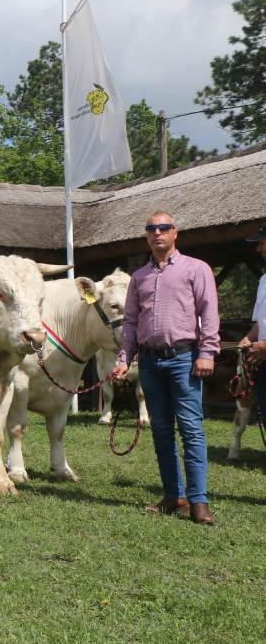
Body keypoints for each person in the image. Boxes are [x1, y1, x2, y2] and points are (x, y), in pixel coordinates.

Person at [111, 212, 220, 525]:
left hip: (184, 358)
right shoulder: (140, 277)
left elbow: (209, 312)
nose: (157, 232)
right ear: (147, 236)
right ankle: (174, 495)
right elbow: (130, 322)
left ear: (175, 233)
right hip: (148, 361)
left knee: (191, 429)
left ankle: (199, 501)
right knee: (160, 430)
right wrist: (123, 359)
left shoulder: (196, 269)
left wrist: (208, 353)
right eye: (151, 229)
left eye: (163, 228)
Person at [237, 223, 266, 432]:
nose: (258, 249)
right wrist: (249, 338)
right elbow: (259, 322)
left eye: (263, 243)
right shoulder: (264, 280)